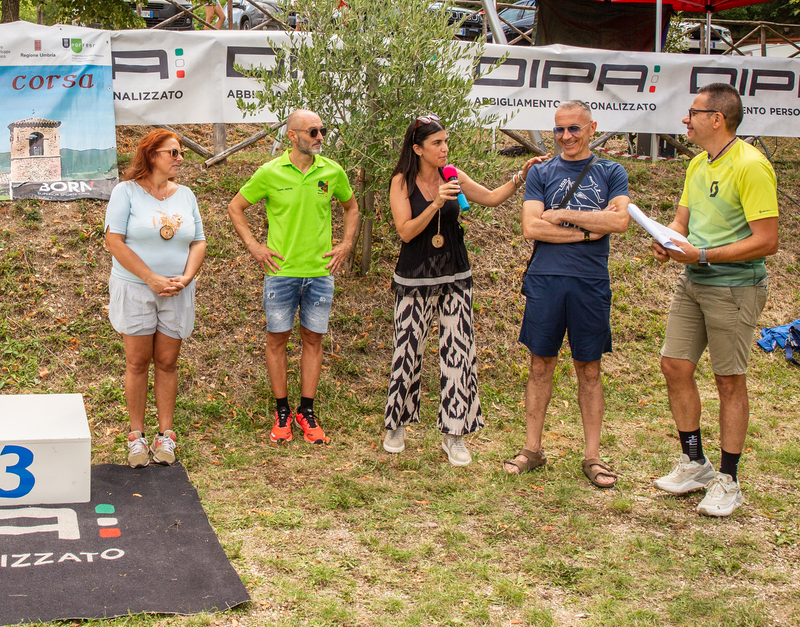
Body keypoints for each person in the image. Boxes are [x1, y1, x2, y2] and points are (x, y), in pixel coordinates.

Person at [383, 114, 546, 462]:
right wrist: (436, 203)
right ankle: (397, 423)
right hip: (415, 277)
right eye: (436, 143)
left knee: (459, 353)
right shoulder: (402, 181)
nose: (444, 148)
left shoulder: (452, 174)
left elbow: (491, 197)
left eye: (445, 141)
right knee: (407, 353)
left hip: (455, 274)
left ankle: (454, 433)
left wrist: (520, 176)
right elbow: (406, 232)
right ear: (418, 149)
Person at [650, 82, 779, 517]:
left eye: (693, 113)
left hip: (735, 287)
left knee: (729, 381)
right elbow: (682, 221)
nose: (685, 119)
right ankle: (694, 463)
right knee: (675, 365)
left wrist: (702, 254)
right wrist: (667, 239)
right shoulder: (698, 164)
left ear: (717, 119)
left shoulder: (751, 165)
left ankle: (729, 479)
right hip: (694, 281)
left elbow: (767, 240)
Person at [504, 101, 630, 487]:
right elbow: (531, 227)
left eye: (574, 128)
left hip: (590, 282)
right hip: (546, 279)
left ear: (592, 128)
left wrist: (561, 216)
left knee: (589, 368)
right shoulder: (542, 172)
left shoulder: (612, 172)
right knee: (540, 364)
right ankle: (532, 450)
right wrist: (590, 232)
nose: (566, 136)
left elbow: (620, 221)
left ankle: (592, 457)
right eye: (559, 129)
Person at [228, 108, 358, 445]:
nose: (320, 137)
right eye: (313, 132)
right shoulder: (270, 172)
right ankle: (282, 412)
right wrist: (254, 246)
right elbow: (235, 207)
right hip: (280, 273)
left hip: (320, 273)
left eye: (322, 130)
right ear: (292, 135)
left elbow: (351, 207)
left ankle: (307, 412)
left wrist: (346, 244)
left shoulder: (332, 171)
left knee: (313, 340)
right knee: (277, 340)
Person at [104, 129, 207, 467]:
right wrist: (149, 277)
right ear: (151, 155)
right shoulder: (126, 192)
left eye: (180, 153)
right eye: (173, 153)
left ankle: (165, 436)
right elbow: (114, 241)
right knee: (137, 362)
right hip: (136, 288)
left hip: (176, 290)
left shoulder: (186, 195)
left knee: (167, 361)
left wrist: (186, 277)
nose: (180, 159)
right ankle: (136, 437)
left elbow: (199, 241)